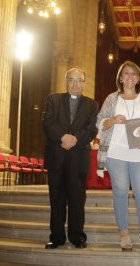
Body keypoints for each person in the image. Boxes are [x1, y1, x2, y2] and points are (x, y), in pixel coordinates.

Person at [96, 61, 140, 252]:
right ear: (120, 78)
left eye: (134, 74)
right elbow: (99, 122)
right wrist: (112, 120)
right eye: (126, 73)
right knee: (121, 192)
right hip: (116, 152)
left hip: (139, 153)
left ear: (138, 78)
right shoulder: (112, 99)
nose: (130, 76)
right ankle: (124, 233)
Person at [43, 68, 99, 249]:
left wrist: (74, 138)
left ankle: (77, 237)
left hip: (78, 159)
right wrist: (63, 137)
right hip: (57, 157)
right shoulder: (53, 99)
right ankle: (56, 237)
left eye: (80, 80)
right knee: (57, 200)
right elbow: (47, 123)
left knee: (77, 201)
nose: (76, 84)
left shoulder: (92, 104)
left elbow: (92, 129)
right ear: (66, 81)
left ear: (84, 83)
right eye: (72, 80)